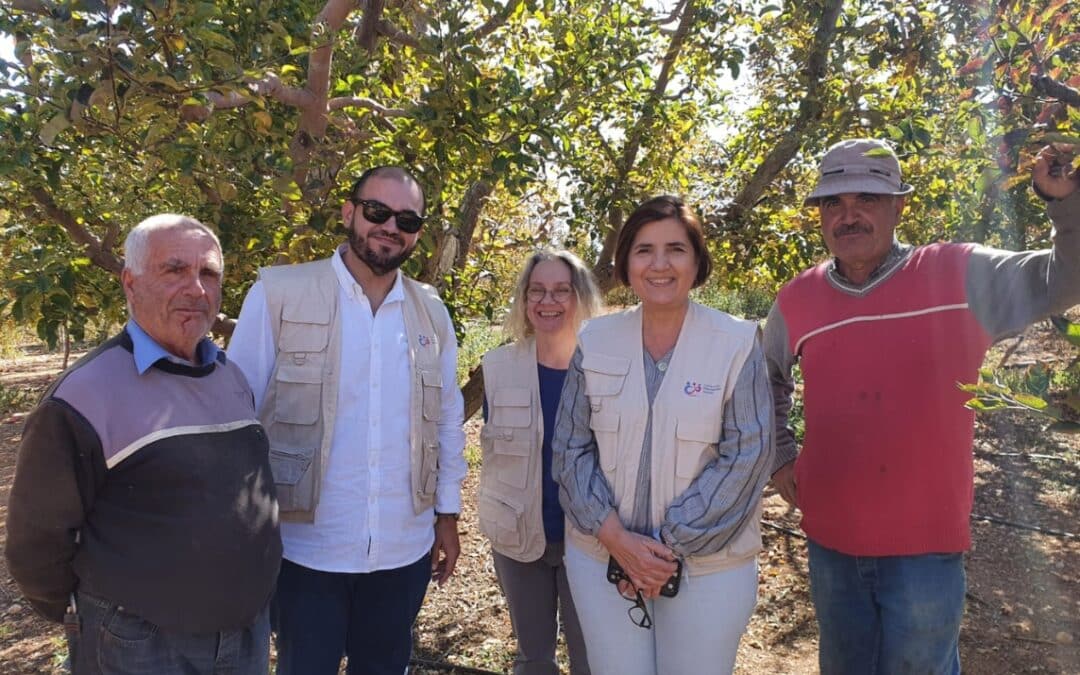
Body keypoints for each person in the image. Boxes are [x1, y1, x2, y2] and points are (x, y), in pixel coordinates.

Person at [764, 139, 1080, 675]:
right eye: (833, 202)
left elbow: (1063, 278)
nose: (848, 215)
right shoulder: (797, 299)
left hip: (924, 546)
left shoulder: (960, 273)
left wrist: (1064, 203)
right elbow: (765, 377)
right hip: (831, 540)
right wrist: (779, 453)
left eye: (867, 198)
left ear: (899, 205)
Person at [5, 214, 282, 674]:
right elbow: (36, 545)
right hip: (138, 643)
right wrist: (98, 616)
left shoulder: (230, 376)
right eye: (175, 270)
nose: (196, 289)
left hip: (244, 635)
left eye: (209, 273)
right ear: (130, 283)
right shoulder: (83, 395)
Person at [227, 166, 467, 675]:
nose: (390, 227)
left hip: (403, 551)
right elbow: (236, 415)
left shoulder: (431, 311)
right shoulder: (278, 294)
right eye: (377, 211)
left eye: (407, 219)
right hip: (304, 552)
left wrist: (447, 514)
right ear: (349, 212)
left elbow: (447, 418)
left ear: (418, 233)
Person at [553, 196, 775, 675]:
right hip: (602, 559)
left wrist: (661, 551)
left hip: (708, 568)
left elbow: (748, 455)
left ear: (697, 261)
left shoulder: (737, 342)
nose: (659, 264)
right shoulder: (594, 340)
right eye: (643, 250)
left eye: (675, 249)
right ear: (625, 262)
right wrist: (619, 542)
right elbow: (570, 448)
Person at [479, 249, 602, 675]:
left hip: (592, 540)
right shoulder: (498, 368)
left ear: (580, 297)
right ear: (524, 298)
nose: (548, 301)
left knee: (593, 658)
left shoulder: (607, 368)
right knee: (533, 659)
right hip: (519, 538)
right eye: (537, 290)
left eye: (561, 291)